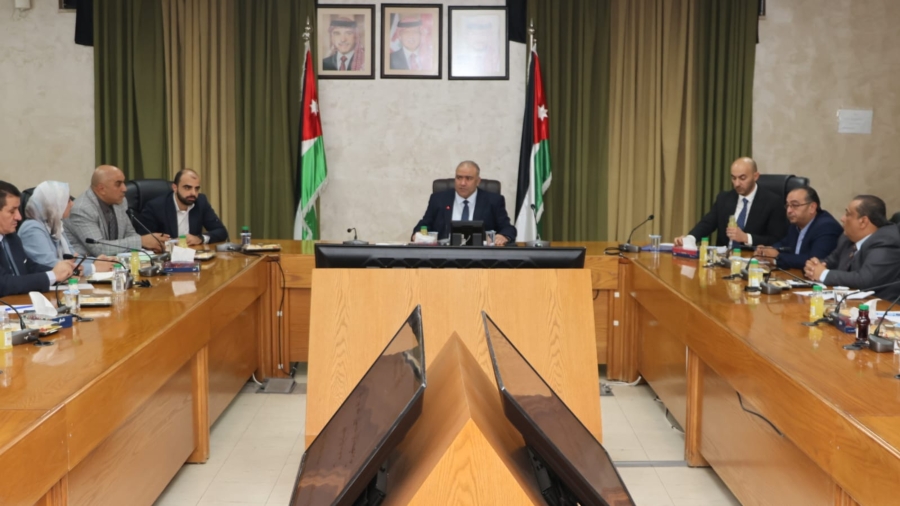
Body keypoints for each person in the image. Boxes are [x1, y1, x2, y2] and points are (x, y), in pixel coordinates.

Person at [803, 195, 900, 300]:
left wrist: (823, 274)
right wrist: (813, 267)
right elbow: (830, 261)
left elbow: (865, 280)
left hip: (879, 305)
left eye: (848, 214)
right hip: (849, 303)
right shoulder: (847, 238)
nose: (842, 218)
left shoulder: (886, 241)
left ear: (863, 221)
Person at [675, 157, 787, 247]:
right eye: (733, 178)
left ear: (755, 176)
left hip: (752, 260)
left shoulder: (772, 202)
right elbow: (707, 224)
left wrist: (746, 238)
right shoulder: (724, 198)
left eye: (742, 178)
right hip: (723, 259)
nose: (737, 184)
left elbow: (776, 239)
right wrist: (690, 239)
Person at [19, 181, 117, 277]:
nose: (72, 204)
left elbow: (72, 257)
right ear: (55, 204)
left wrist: (99, 261)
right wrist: (93, 267)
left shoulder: (55, 224)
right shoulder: (32, 228)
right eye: (68, 200)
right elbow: (50, 265)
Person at [66, 165, 169, 256]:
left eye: (123, 182)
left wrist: (149, 246)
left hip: (117, 263)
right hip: (88, 267)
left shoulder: (120, 201)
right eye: (118, 184)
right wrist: (141, 241)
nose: (125, 189)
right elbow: (99, 248)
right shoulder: (82, 209)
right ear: (101, 189)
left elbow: (130, 234)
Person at [412, 161, 516, 246]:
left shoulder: (493, 201)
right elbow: (423, 226)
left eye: (468, 178)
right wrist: (418, 235)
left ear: (478, 181)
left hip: (480, 257)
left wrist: (503, 236)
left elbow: (508, 228)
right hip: (444, 256)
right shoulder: (438, 199)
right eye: (459, 177)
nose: (462, 183)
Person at [0, 180, 74, 297]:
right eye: (12, 211)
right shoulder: (30, 228)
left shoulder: (11, 237)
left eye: (18, 210)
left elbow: (28, 266)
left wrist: (61, 272)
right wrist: (52, 276)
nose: (19, 217)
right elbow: (3, 284)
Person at [754, 186, 842, 269]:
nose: (789, 210)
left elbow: (814, 261)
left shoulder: (827, 227)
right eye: (787, 205)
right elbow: (784, 244)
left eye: (795, 205)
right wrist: (767, 250)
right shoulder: (796, 224)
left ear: (812, 207)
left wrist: (777, 257)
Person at [138, 169, 228, 246]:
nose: (193, 193)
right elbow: (144, 240)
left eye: (196, 188)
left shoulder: (201, 202)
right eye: (187, 188)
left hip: (194, 256)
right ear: (175, 187)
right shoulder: (155, 206)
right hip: (166, 257)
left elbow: (221, 232)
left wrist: (200, 239)